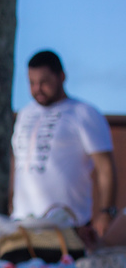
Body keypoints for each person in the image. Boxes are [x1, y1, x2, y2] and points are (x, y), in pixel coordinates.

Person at [11, 50, 117, 244]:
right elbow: (18, 164)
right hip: (23, 225)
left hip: (68, 226)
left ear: (61, 77)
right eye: (32, 83)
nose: (37, 89)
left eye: (44, 82)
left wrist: (106, 212)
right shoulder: (25, 115)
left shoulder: (83, 113)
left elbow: (105, 167)